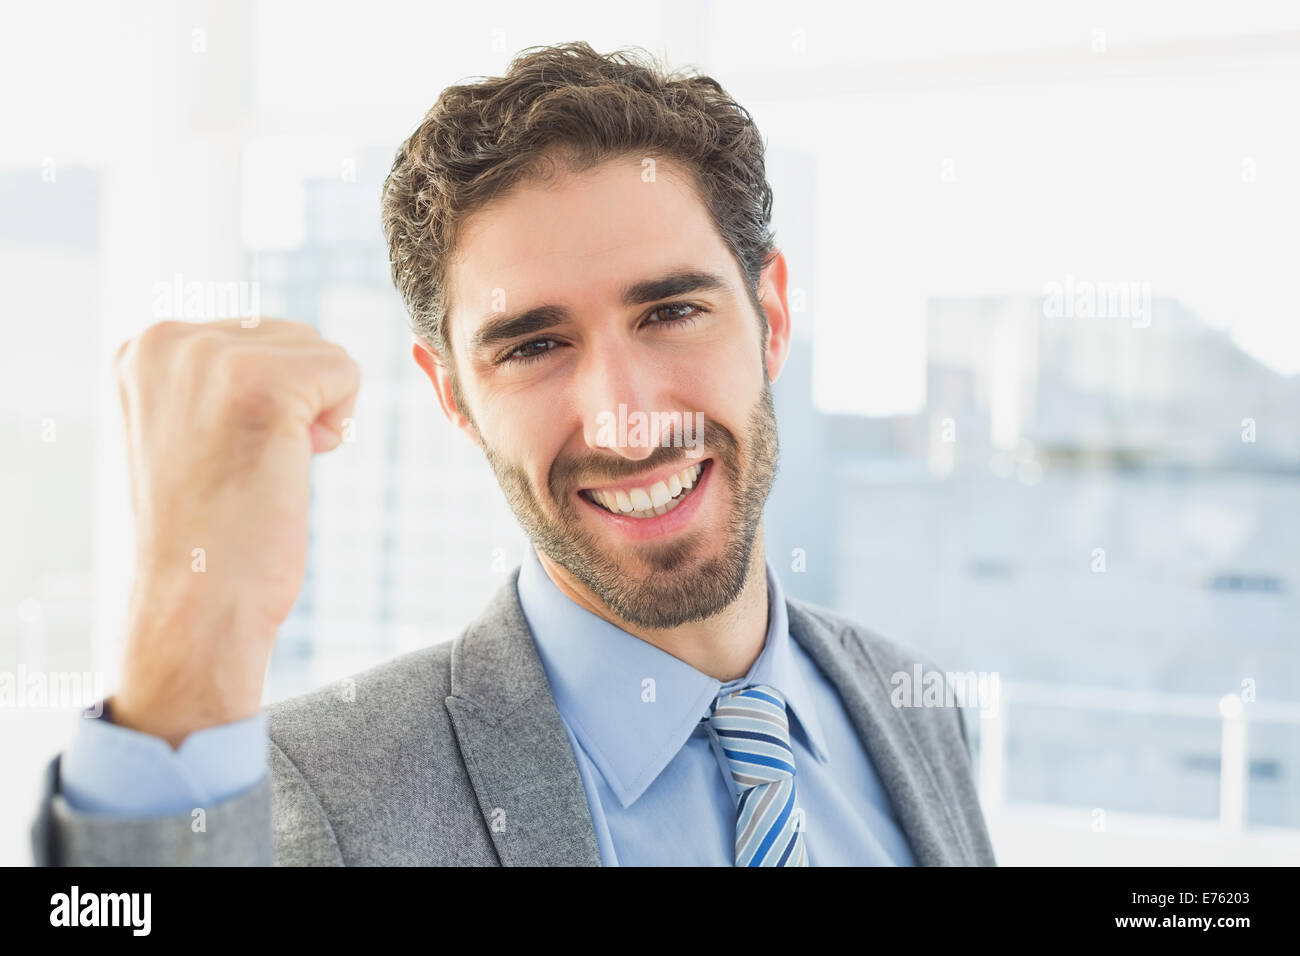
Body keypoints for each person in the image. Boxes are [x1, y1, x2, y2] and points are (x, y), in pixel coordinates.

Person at [31, 41, 995, 866]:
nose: (626, 420)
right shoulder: (317, 796)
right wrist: (188, 639)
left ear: (771, 316)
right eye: (534, 346)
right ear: (453, 394)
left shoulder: (910, 705)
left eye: (671, 311)